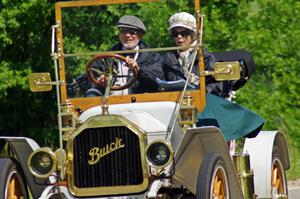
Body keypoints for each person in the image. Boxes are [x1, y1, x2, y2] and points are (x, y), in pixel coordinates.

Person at [162, 12, 264, 141]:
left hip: (199, 104)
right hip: (173, 104)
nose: (179, 37)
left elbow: (216, 86)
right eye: (175, 34)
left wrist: (197, 90)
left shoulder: (206, 58)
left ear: (194, 34)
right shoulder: (167, 59)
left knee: (205, 105)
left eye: (184, 33)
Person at [85, 15, 163, 96]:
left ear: (141, 35)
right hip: (109, 98)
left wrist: (139, 70)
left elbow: (157, 80)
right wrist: (101, 80)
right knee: (91, 93)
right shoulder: (107, 56)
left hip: (139, 97)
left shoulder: (152, 56)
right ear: (119, 34)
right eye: (123, 31)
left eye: (132, 32)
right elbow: (91, 75)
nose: (127, 35)